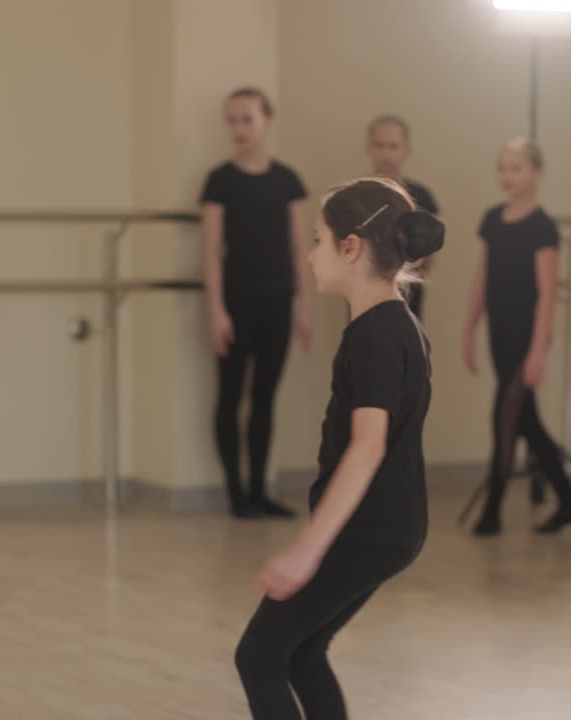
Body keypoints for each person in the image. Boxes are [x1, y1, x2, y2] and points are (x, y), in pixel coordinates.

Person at [234, 178, 444, 719]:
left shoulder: (375, 335)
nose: (309, 256)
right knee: (301, 653)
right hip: (391, 529)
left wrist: (310, 546)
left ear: (350, 248)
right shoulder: (400, 324)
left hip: (368, 530)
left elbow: (368, 447)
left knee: (258, 656)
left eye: (318, 240)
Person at [462, 137, 571, 537]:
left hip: (526, 337)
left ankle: (492, 511)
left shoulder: (542, 227)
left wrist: (538, 352)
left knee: (504, 419)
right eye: (502, 168)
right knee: (527, 423)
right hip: (499, 334)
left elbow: (548, 294)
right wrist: (469, 328)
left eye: (515, 168)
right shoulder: (493, 220)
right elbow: (483, 278)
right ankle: (569, 501)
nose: (506, 176)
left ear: (537, 173)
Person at [201, 88, 313, 519]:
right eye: (232, 120)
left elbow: (298, 244)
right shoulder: (219, 181)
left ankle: (259, 488)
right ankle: (236, 494)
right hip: (235, 301)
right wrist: (216, 310)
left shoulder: (287, 180)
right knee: (230, 395)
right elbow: (211, 250)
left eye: (247, 119)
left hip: (278, 300)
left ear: (266, 121)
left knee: (264, 396)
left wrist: (304, 304)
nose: (238, 129)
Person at [366, 114, 439, 320]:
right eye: (379, 145)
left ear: (406, 150)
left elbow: (429, 257)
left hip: (407, 294)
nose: (385, 153)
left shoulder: (421, 197)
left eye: (393, 146)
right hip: (363, 292)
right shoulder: (358, 194)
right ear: (369, 148)